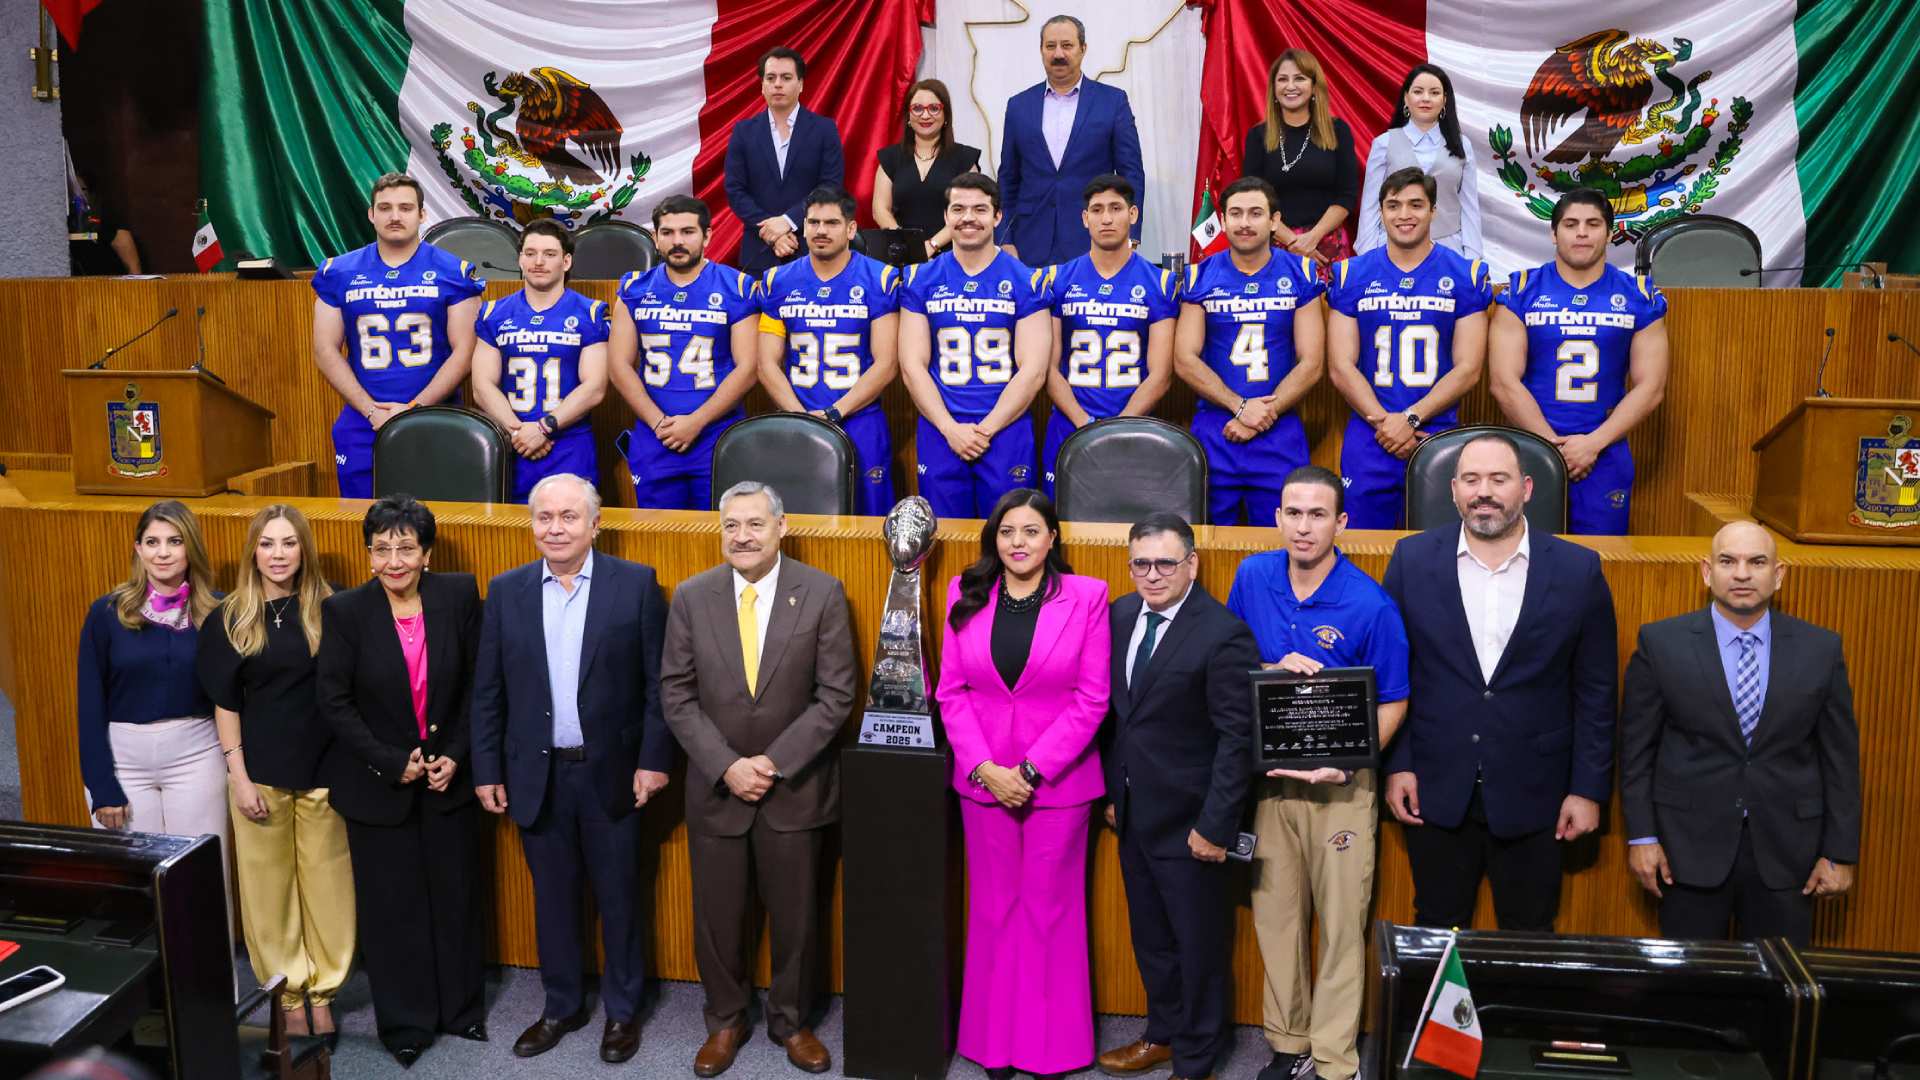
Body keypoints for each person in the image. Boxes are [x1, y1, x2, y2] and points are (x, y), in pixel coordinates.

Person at [471, 474, 675, 1063]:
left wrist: (653, 761)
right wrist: (487, 769)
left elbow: (657, 687)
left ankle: (622, 1012)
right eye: (544, 517)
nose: (555, 528)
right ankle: (561, 1005)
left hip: (612, 773)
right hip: (537, 775)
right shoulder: (506, 591)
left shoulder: (635, 585)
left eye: (568, 517)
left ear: (594, 523)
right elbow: (488, 692)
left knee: (620, 898)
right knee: (552, 899)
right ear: (531, 523)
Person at [1381, 433, 1617, 933]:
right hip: (1435, 789)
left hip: (1539, 793)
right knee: (1436, 933)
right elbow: (1392, 677)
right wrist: (1397, 765)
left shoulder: (1578, 570)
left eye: (1498, 479)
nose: (1483, 492)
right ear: (1452, 491)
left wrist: (1587, 790)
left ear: (1527, 488)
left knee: (1530, 936)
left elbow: (1595, 690)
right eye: (1471, 480)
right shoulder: (1412, 560)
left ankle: (1517, 1018)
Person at [660, 482, 854, 1077]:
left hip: (793, 790)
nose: (741, 536)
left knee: (798, 918)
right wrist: (727, 765)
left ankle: (791, 1023)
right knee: (718, 919)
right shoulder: (692, 597)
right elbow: (677, 693)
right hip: (718, 788)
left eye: (754, 525)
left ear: (781, 526)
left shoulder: (821, 593)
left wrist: (769, 764)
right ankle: (725, 1020)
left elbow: (836, 695)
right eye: (731, 526)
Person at [1227, 467, 1409, 1080]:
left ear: (1341, 523)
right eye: (1293, 513)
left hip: (1341, 789)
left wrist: (1351, 760)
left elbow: (1394, 701)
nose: (1303, 527)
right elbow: (1231, 661)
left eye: (1317, 515)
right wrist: (1270, 664)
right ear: (1277, 517)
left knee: (1339, 924)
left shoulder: (1370, 602)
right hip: (1270, 782)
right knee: (1276, 917)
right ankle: (1288, 1042)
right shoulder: (1252, 576)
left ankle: (1334, 1056)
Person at [935, 488, 1111, 1080]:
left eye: (1031, 531)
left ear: (1052, 538)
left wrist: (1030, 771)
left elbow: (1092, 700)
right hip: (983, 783)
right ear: (994, 538)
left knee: (1049, 913)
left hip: (1056, 786)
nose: (1018, 543)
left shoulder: (1087, 597)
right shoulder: (965, 593)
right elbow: (950, 693)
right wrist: (985, 768)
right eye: (1008, 532)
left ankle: (1048, 1048)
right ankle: (991, 1045)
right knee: (991, 910)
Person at [1620, 521, 1859, 946]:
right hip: (1685, 850)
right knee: (1688, 991)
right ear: (1707, 572)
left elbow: (1840, 759)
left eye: (1757, 562)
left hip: (1789, 854)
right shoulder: (1662, 643)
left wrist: (1839, 852)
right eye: (1728, 561)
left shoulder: (1821, 649)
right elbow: (1637, 750)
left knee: (1778, 993)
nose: (1743, 573)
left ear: (1779, 575)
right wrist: (1642, 836)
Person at [316, 494, 485, 1068]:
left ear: (426, 554)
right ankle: (406, 1023)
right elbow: (334, 704)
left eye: (405, 548)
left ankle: (462, 1012)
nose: (394, 560)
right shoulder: (346, 612)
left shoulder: (459, 596)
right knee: (394, 910)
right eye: (382, 549)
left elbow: (477, 688)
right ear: (368, 557)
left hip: (448, 779)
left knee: (455, 898)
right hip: (377, 782)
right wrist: (393, 761)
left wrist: (456, 756)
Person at [1096, 513, 1259, 1080]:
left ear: (1192, 563)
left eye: (1166, 562)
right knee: (1153, 941)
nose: (1152, 574)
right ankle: (1161, 1035)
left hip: (1192, 823)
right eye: (1141, 562)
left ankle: (1196, 1059)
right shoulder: (1119, 615)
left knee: (1199, 950)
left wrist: (1216, 826)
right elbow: (1119, 718)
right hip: (1134, 814)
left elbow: (1237, 740)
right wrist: (1113, 794)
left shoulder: (1222, 633)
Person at [197, 505, 350, 1047]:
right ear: (252, 551)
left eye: (289, 544)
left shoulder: (333, 609)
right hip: (258, 771)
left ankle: (325, 993)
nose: (279, 555)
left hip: (325, 771)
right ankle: (288, 995)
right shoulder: (230, 616)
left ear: (303, 550)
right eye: (268, 544)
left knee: (328, 889)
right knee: (268, 893)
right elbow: (224, 703)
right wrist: (237, 775)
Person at [1490, 187, 1670, 535]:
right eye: (1571, 224)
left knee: (1599, 567)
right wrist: (1551, 449)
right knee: (1528, 567)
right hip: (1533, 449)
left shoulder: (1639, 296)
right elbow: (1502, 382)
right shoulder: (1522, 290)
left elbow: (1651, 387)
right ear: (1554, 233)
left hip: (1604, 452)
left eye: (1593, 224)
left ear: (1610, 232)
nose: (1582, 232)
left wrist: (1592, 444)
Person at [1326, 168, 1493, 529]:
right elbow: (1341, 366)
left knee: (1438, 552)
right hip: (1370, 434)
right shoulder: (1352, 274)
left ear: (1433, 211)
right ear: (1381, 212)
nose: (1404, 215)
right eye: (1393, 205)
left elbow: (1469, 368)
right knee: (1363, 550)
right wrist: (1387, 424)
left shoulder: (1465, 274)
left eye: (1416, 205)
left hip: (1437, 433)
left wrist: (1411, 418)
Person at [310, 172, 485, 498]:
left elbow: (466, 351)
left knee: (439, 520)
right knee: (363, 525)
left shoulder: (453, 271)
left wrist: (415, 409)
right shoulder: (339, 272)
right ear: (371, 214)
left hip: (437, 416)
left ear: (422, 214)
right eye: (385, 207)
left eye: (405, 208)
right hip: (364, 419)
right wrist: (372, 411)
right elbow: (325, 349)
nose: (394, 216)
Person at [897, 173, 1051, 519]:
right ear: (946, 217)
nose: (968, 217)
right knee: (945, 537)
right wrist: (951, 428)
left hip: (1005, 429)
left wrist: (987, 429)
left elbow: (1034, 369)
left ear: (997, 217)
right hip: (941, 427)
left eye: (980, 209)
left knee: (1009, 537)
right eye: (959, 208)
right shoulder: (920, 279)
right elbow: (912, 365)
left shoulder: (1026, 280)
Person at [1175, 176, 1326, 526]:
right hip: (1216, 427)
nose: (1245, 223)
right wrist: (1240, 407)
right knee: (1206, 543)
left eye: (1256, 213)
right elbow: (1184, 358)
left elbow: (1313, 361)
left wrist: (1260, 417)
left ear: (1274, 221)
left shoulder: (1299, 272)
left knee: (1283, 544)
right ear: (1223, 220)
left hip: (1280, 426)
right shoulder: (1200, 276)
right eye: (1236, 214)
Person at [78, 501, 227, 856]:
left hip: (197, 756)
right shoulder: (106, 613)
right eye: (152, 542)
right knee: (132, 876)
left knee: (199, 874)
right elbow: (89, 702)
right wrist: (102, 785)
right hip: (123, 761)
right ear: (138, 549)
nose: (163, 553)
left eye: (175, 542)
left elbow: (233, 696)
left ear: (191, 548)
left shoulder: (219, 611)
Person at [756, 185, 902, 516]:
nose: (821, 231)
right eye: (813, 222)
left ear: (851, 229)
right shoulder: (779, 281)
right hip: (797, 415)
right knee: (798, 516)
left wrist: (836, 412)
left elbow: (886, 363)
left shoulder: (878, 279)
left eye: (832, 223)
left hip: (860, 418)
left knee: (869, 519)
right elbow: (766, 362)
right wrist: (800, 417)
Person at [609, 194, 761, 510]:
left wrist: (696, 421)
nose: (677, 241)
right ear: (655, 237)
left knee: (721, 535)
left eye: (688, 232)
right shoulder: (634, 289)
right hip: (655, 435)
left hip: (717, 433)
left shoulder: (736, 286)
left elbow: (749, 367)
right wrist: (659, 423)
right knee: (658, 537)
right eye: (668, 233)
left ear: (707, 235)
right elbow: (618, 366)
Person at [1041, 174, 1178, 495]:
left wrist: (1118, 428)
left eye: (1115, 208)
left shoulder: (1159, 283)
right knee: (1062, 525)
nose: (1106, 218)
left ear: (1132, 214)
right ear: (1084, 218)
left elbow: (1161, 374)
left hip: (1135, 425)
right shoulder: (1057, 279)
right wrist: (1083, 423)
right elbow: (1048, 367)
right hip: (1069, 424)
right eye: (1097, 209)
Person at [470, 220, 609, 503]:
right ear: (520, 259)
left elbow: (594, 387)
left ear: (566, 261)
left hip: (568, 444)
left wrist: (543, 428)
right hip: (512, 443)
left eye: (549, 253)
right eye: (530, 253)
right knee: (509, 540)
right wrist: (520, 432)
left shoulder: (590, 313)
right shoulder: (494, 313)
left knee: (569, 527)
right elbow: (481, 386)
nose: (538, 261)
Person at [997, 14, 1145, 267]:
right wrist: (1003, 238)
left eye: (1067, 45)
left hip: (1093, 241)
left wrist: (1130, 235)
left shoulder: (1112, 102)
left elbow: (1131, 173)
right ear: (1041, 50)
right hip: (1028, 245)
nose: (1058, 54)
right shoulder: (1019, 106)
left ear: (1083, 49)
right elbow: (1008, 178)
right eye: (1050, 46)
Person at [724, 47, 846, 275]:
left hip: (811, 248)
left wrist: (789, 221)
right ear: (762, 86)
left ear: (801, 84)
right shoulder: (743, 131)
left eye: (786, 77)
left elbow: (830, 186)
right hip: (758, 252)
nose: (777, 84)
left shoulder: (824, 129)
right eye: (771, 78)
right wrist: (772, 232)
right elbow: (735, 190)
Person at [1243, 50, 1358, 269]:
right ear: (1274, 89)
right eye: (1283, 79)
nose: (1290, 86)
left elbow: (1346, 196)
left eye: (1300, 78)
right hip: (1275, 246)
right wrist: (1294, 242)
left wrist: (1312, 238)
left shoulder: (1338, 131)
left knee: (1329, 304)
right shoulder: (1257, 136)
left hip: (1326, 247)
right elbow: (1253, 199)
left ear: (1314, 86)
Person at [1355, 65, 1482, 259]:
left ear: (1444, 100)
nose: (1426, 98)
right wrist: (1369, 255)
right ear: (1406, 98)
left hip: (1448, 250)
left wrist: (1473, 258)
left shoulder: (1462, 145)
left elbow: (1469, 206)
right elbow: (1370, 206)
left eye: (1434, 92)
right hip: (1393, 249)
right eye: (1418, 91)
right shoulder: (1384, 143)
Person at [872, 79, 983, 257]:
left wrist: (931, 246)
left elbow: (968, 212)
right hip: (902, 256)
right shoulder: (890, 158)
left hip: (954, 256)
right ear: (908, 115)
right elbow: (880, 210)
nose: (925, 116)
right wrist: (908, 245)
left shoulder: (965, 159)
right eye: (917, 108)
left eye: (934, 108)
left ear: (945, 114)